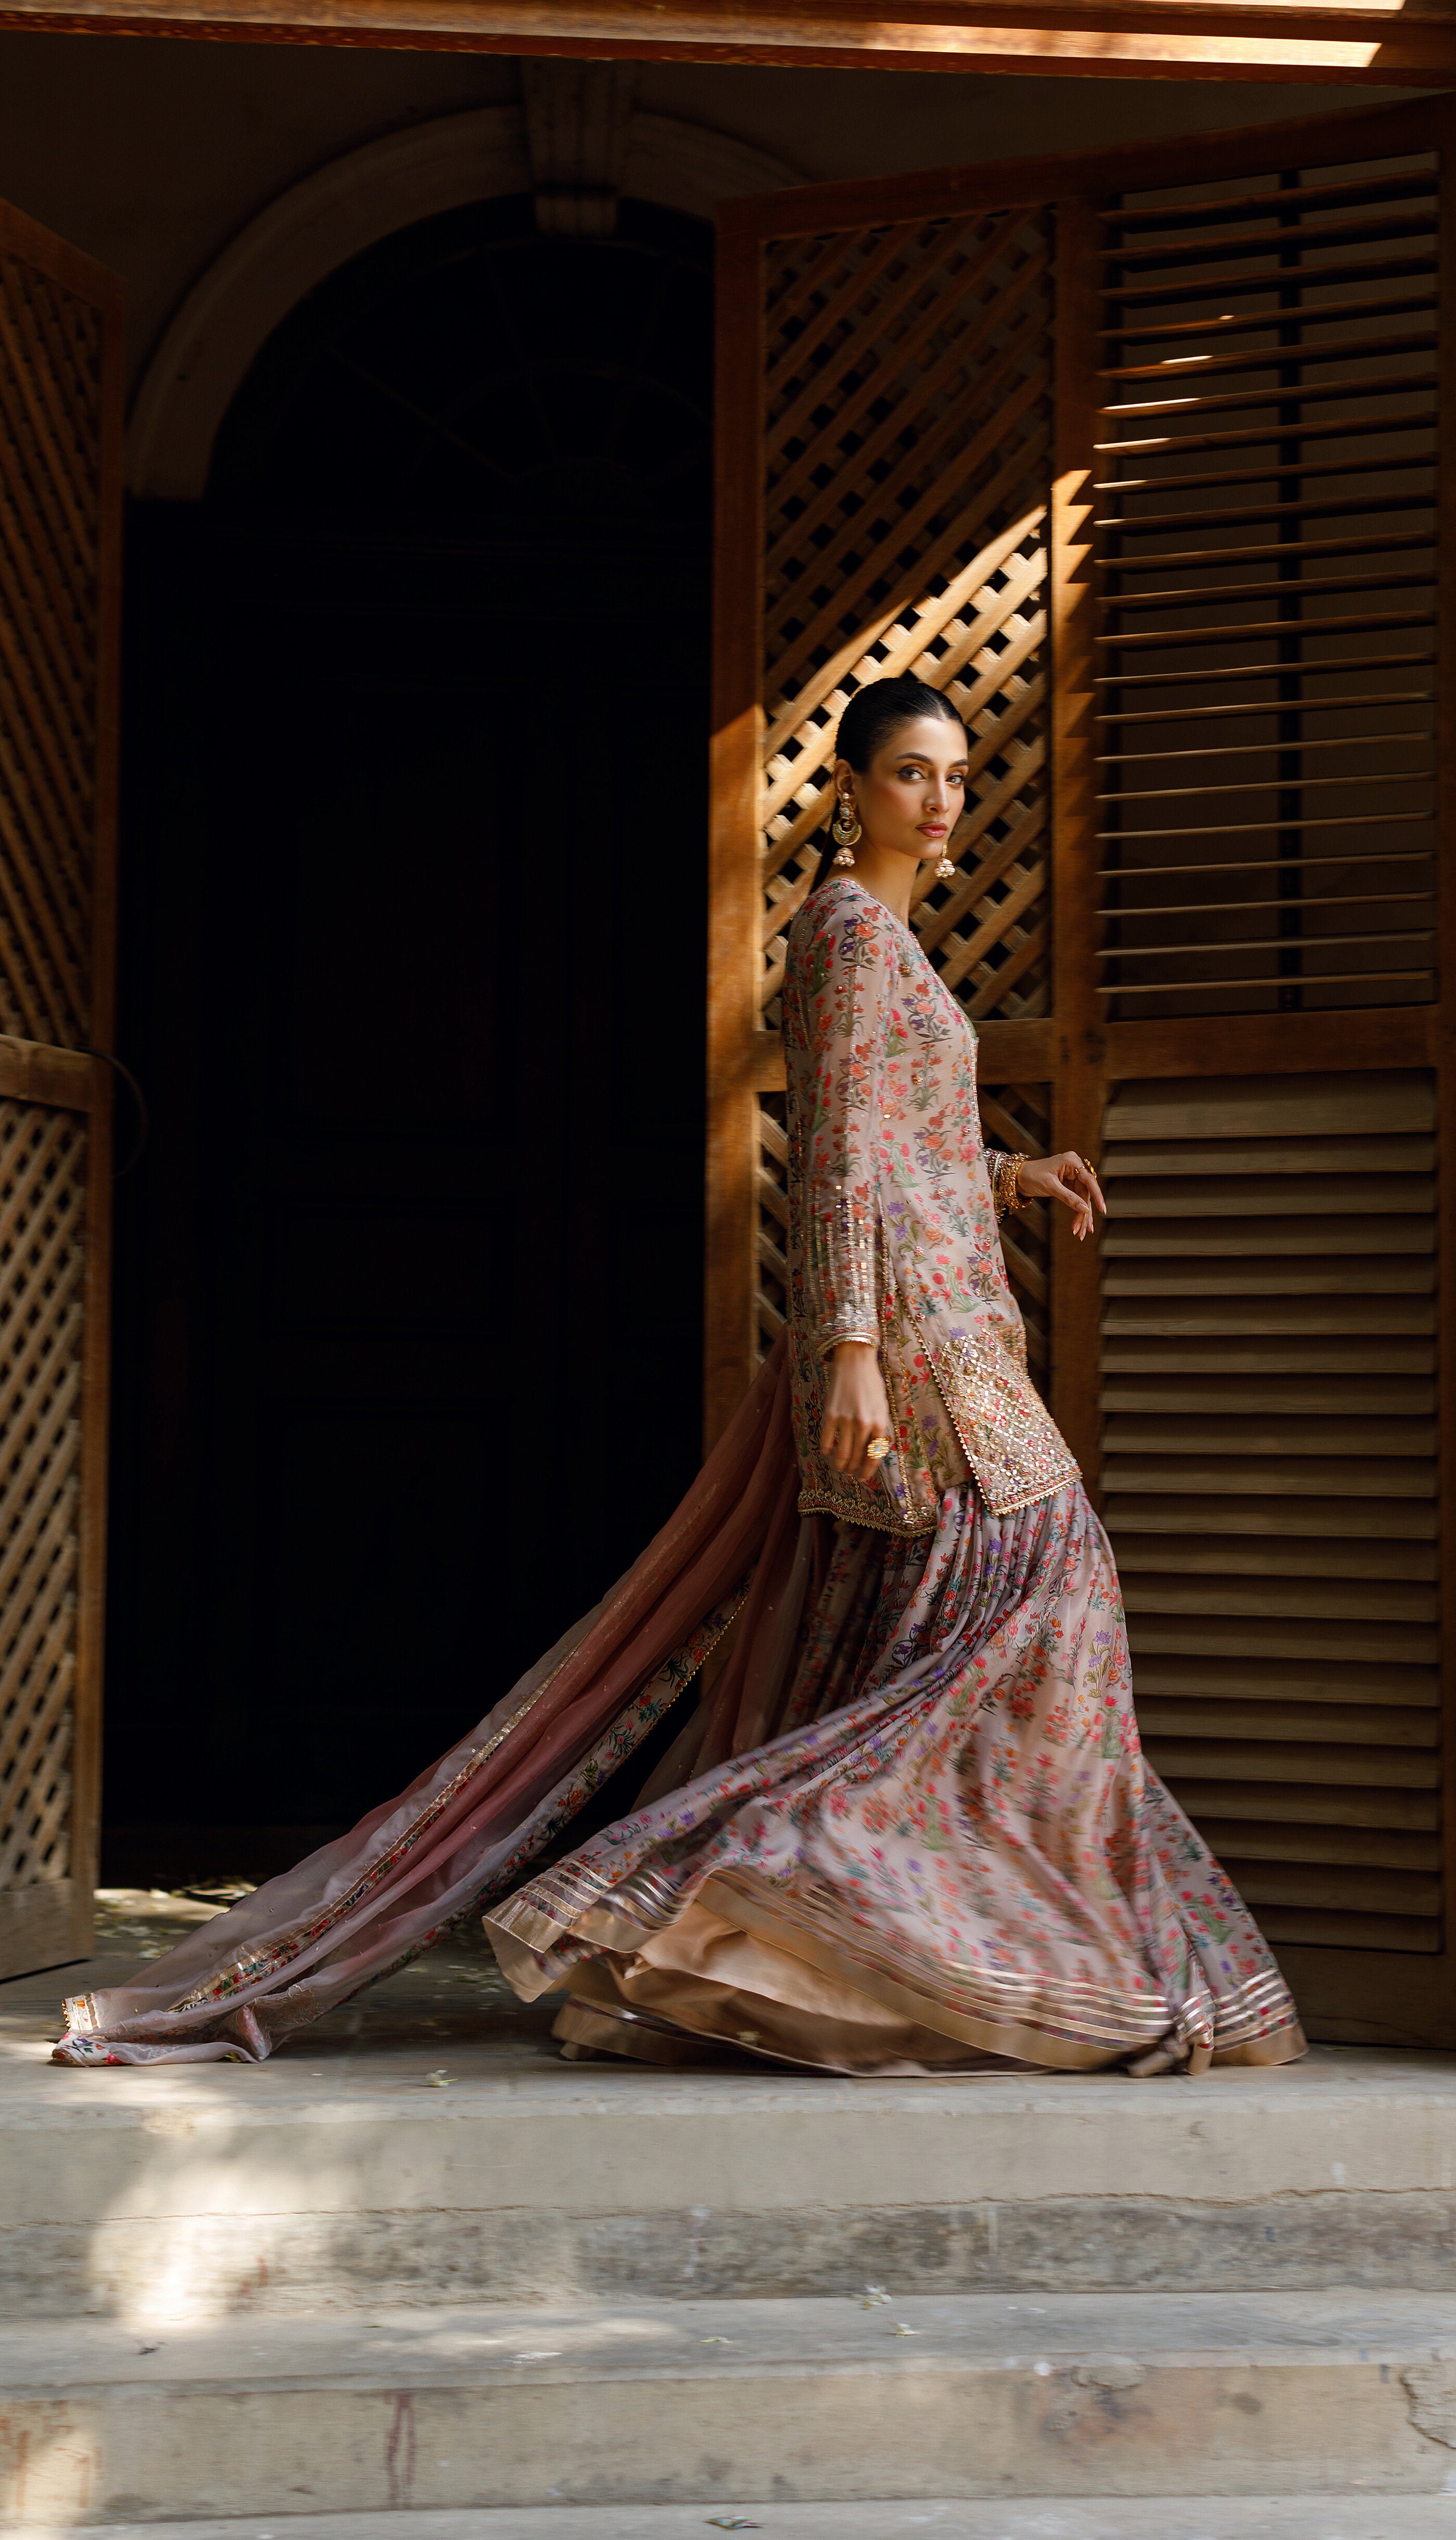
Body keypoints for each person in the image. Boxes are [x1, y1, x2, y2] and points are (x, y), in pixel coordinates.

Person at [55, 674, 1303, 2075]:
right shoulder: (843, 934)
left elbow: (899, 1144)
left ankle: (794, 1946)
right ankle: (708, 1888)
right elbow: (830, 1161)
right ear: (851, 787)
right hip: (912, 1353)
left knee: (932, 1657)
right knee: (1048, 1600)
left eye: (954, 774)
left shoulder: (888, 937)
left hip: (948, 1322)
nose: (940, 798)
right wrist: (845, 1361)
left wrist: (1008, 1171)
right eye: (909, 772)